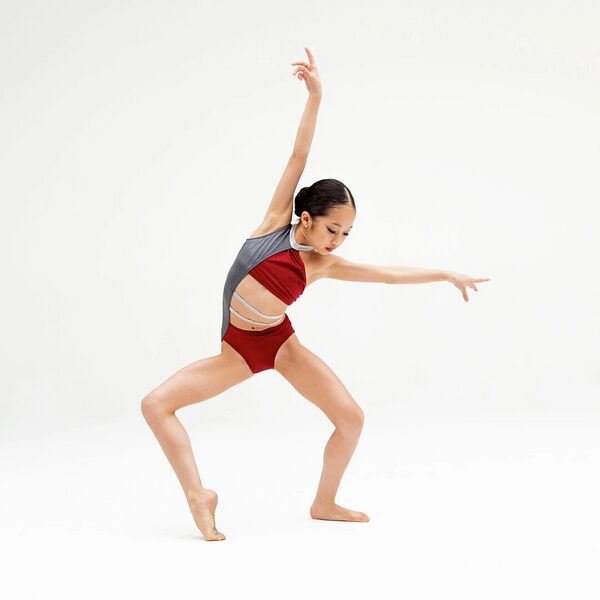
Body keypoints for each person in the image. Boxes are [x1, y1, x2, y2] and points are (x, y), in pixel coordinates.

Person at [141, 47, 491, 542]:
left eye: (346, 233)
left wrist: (444, 274)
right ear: (305, 217)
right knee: (155, 404)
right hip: (238, 350)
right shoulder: (273, 226)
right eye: (332, 228)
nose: (338, 240)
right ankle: (198, 495)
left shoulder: (323, 265)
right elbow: (298, 156)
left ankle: (324, 502)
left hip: (281, 344)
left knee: (350, 418)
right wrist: (315, 97)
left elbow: (388, 275)